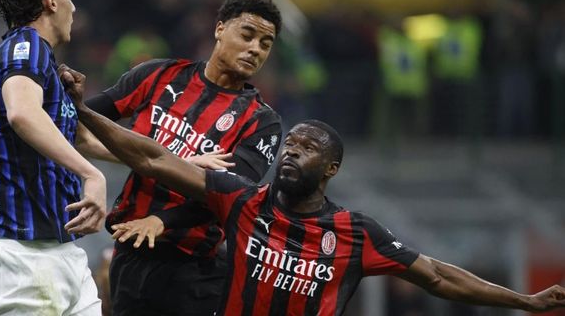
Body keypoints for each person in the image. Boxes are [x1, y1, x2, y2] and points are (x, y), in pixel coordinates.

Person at [60, 65, 565, 316]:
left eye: (308, 148)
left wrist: (524, 301)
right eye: (291, 143)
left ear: (331, 169)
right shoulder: (241, 200)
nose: (292, 151)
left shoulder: (354, 233)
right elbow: (153, 158)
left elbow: (436, 275)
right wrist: (83, 111)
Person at [83, 0, 283, 315]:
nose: (255, 49)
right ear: (220, 29)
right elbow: (81, 120)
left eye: (265, 43)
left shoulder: (262, 123)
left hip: (193, 270)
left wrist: (162, 220)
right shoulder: (158, 76)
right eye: (247, 35)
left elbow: (227, 196)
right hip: (130, 252)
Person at [0, 0, 113, 315]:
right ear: (51, 0)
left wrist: (174, 159)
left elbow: (83, 140)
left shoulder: (44, 64)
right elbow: (22, 113)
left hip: (63, 253)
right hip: (22, 258)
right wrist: (91, 175)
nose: (73, 8)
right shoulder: (25, 45)